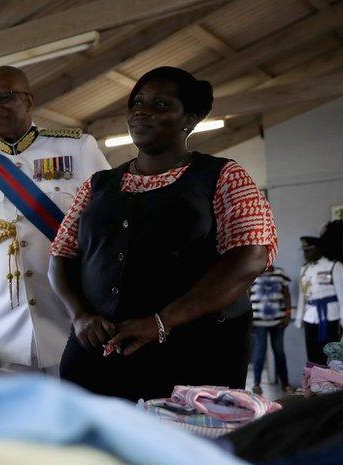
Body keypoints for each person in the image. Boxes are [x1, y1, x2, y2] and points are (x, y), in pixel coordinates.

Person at [48, 66, 277, 402]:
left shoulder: (224, 176)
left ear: (191, 118)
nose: (142, 112)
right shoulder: (98, 185)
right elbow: (61, 256)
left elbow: (250, 258)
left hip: (197, 352)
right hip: (100, 349)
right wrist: (80, 316)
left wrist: (162, 321)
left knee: (182, 445)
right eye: (137, 103)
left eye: (160, 105)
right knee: (92, 446)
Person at [0, 66, 110, 376]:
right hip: (2, 334)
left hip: (73, 325)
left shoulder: (76, 148)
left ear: (29, 101)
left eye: (4, 97)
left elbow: (110, 229)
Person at [296, 235, 343, 364]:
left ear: (317, 249)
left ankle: (329, 383)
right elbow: (302, 295)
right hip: (310, 316)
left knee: (331, 355)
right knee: (312, 354)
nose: (305, 254)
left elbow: (342, 296)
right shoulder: (305, 269)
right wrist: (299, 318)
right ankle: (314, 383)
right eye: (304, 251)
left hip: (330, 316)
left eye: (308, 250)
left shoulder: (334, 266)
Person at [248, 265, 292, 394]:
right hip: (258, 322)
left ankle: (285, 384)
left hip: (278, 321)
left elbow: (286, 294)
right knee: (259, 352)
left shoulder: (280, 272)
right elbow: (247, 294)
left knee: (279, 352)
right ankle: (256, 384)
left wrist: (288, 314)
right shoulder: (253, 272)